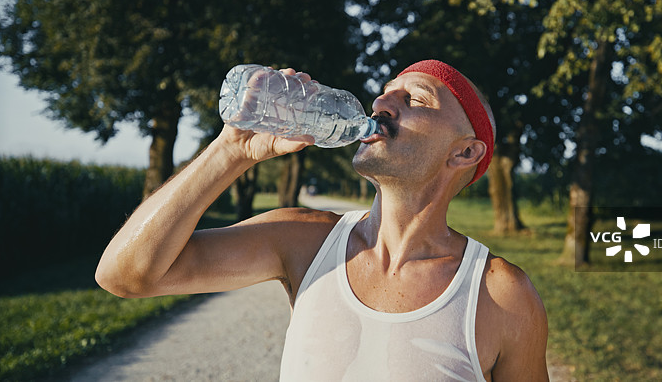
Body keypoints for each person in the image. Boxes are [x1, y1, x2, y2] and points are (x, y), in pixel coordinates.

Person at [96, 59, 548, 381]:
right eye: (387, 90)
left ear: (465, 151)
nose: (381, 101)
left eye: (414, 98)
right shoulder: (305, 240)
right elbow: (124, 274)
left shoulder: (499, 294)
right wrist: (232, 150)